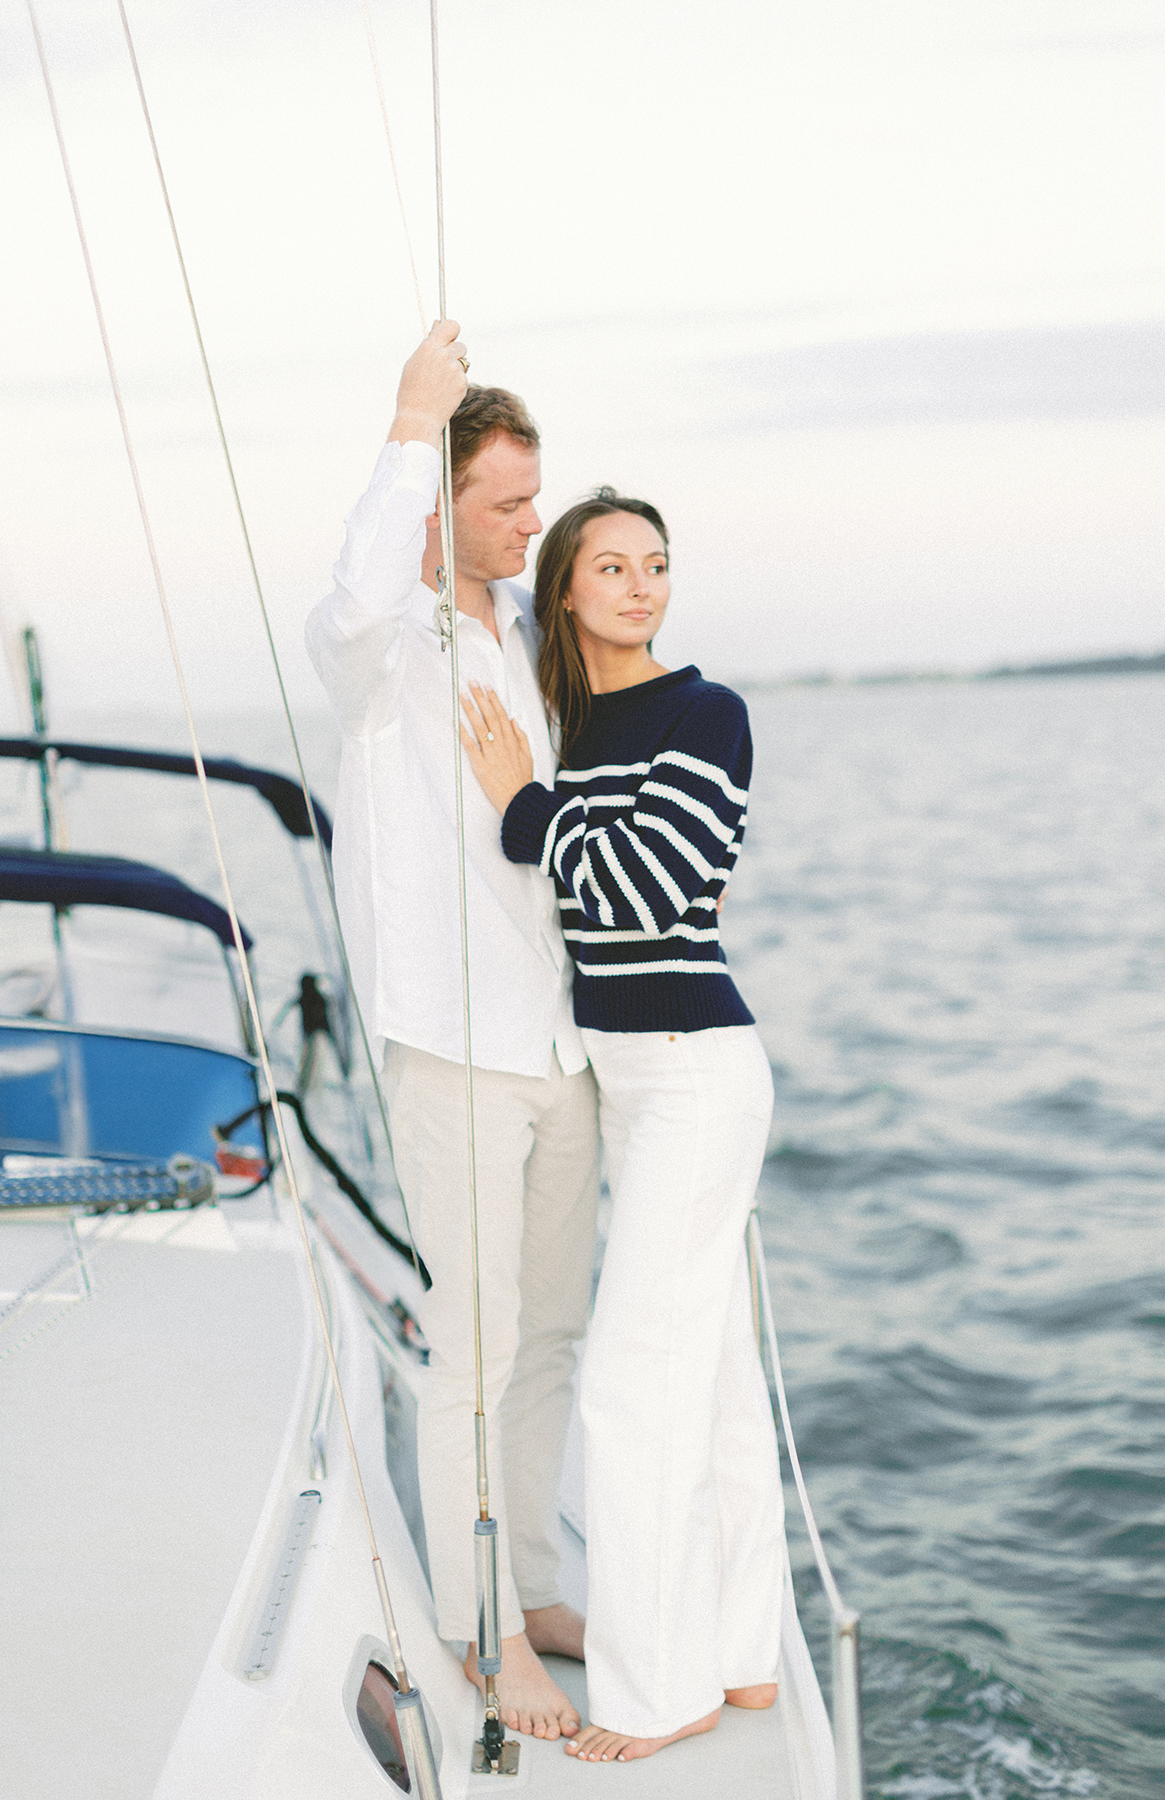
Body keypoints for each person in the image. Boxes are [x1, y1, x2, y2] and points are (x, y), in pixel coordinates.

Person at [305, 323, 600, 1741]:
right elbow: (352, 607)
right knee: (474, 1347)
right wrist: (403, 422)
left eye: (534, 498)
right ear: (436, 503)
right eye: (503, 501)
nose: (532, 523)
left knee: (549, 1333)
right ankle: (486, 1640)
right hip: (453, 1051)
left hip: (562, 1049)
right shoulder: (386, 655)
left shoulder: (525, 640)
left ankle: (535, 1583)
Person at [459, 489, 786, 1762]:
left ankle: (657, 1694)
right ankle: (747, 1655)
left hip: (694, 1069)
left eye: (655, 565)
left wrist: (526, 808)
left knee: (630, 1386)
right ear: (567, 594)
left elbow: (649, 883)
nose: (642, 586)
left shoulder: (708, 714)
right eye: (611, 567)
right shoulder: (577, 725)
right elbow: (585, 895)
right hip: (631, 1075)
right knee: (706, 1381)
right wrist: (545, 797)